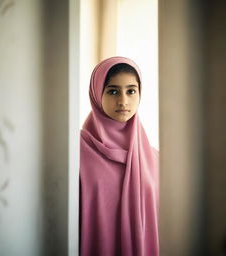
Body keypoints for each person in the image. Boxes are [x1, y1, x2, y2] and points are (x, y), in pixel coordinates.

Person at [79, 56, 160, 256]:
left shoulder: (154, 159)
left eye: (131, 91)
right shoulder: (75, 152)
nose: (123, 101)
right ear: (97, 94)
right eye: (113, 91)